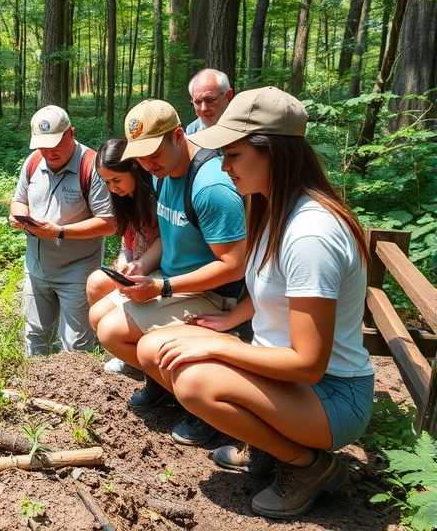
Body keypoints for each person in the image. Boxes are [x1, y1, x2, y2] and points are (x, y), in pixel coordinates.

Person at [136, 87, 373, 518]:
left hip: (332, 394)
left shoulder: (311, 234)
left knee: (192, 380)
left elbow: (308, 364)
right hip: (286, 375)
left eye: (234, 155)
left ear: (273, 153)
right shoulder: (271, 208)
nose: (223, 167)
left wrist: (220, 347)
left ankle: (305, 464)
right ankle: (271, 442)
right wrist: (230, 322)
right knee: (156, 346)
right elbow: (270, 289)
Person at [93, 99, 246, 447]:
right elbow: (167, 235)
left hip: (212, 294)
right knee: (100, 312)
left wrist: (162, 288)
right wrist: (143, 266)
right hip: (173, 281)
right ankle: (163, 385)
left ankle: (203, 406)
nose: (147, 164)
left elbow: (234, 265)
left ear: (178, 136)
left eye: (153, 154)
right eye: (140, 157)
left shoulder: (210, 187)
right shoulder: (164, 175)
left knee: (113, 331)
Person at [9, 105, 116, 356]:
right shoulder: (34, 161)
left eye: (55, 143)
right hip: (35, 266)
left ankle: (75, 394)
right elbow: (18, 199)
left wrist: (59, 231)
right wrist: (16, 213)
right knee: (35, 334)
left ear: (71, 133)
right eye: (42, 145)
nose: (49, 151)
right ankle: (34, 390)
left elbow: (109, 223)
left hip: (77, 271)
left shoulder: (91, 167)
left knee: (75, 346)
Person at [84, 138, 161, 375]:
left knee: (102, 314)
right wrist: (124, 262)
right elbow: (127, 243)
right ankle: (124, 353)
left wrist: (139, 265)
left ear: (134, 168)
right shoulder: (123, 199)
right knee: (96, 282)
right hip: (136, 266)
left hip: (156, 268)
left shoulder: (155, 198)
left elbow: (164, 242)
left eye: (116, 180)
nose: (112, 188)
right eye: (107, 182)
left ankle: (134, 355)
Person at [185, 69, 234, 135]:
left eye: (210, 100)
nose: (204, 108)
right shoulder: (192, 131)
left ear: (228, 95)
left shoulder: (245, 129)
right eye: (198, 102)